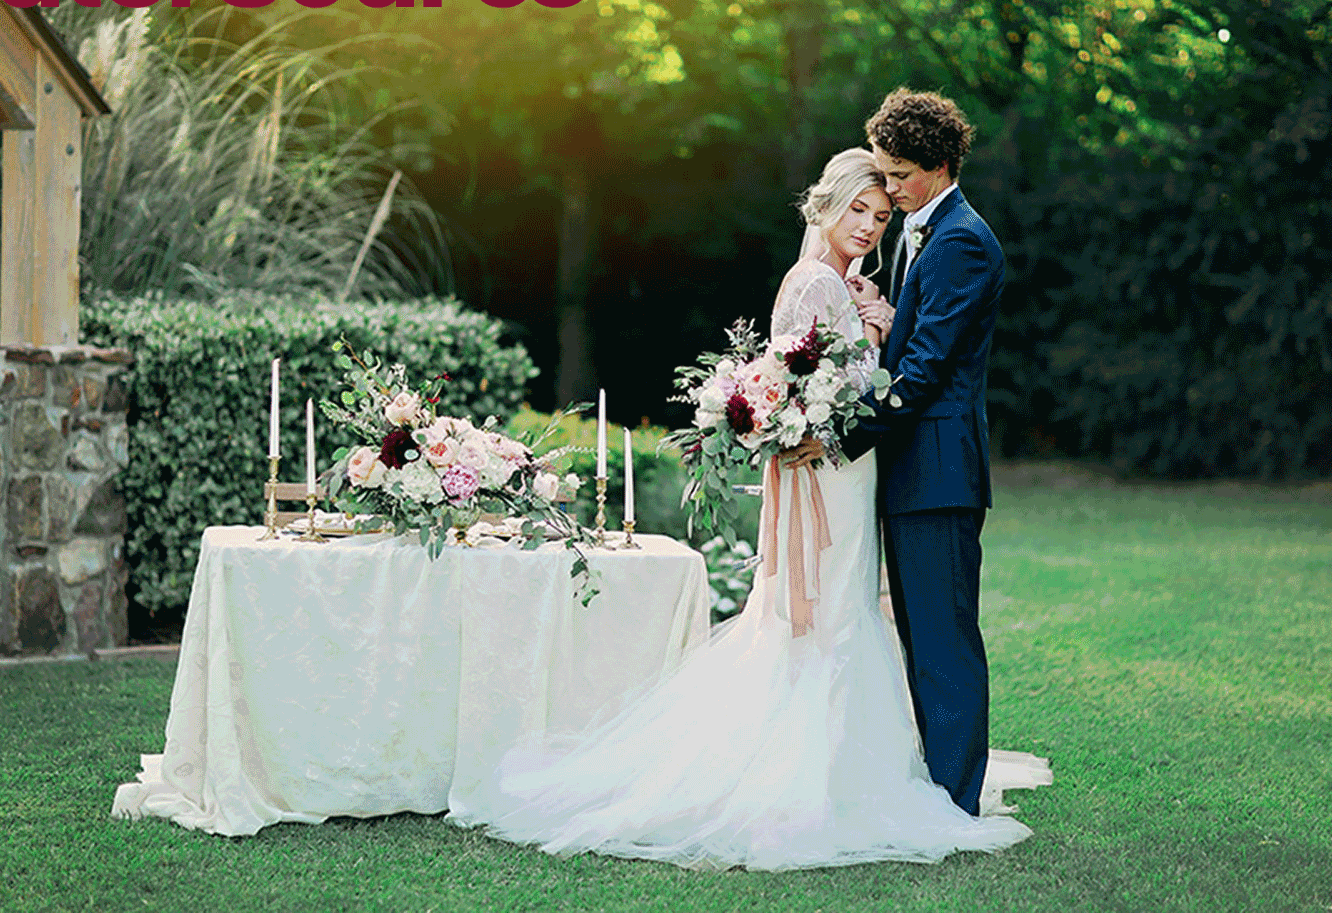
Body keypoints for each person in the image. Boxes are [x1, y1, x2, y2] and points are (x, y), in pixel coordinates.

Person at [444, 146, 1049, 871]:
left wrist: (870, 323)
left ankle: (863, 769)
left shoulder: (844, 283)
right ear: (823, 205)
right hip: (834, 468)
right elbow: (824, 381)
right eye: (858, 209)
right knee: (825, 619)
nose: (869, 226)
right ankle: (819, 781)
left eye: (881, 216)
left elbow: (841, 374)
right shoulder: (815, 286)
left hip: (852, 472)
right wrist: (831, 390)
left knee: (848, 614)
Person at [784, 88, 1005, 818]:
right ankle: (940, 785)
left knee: (943, 640)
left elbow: (924, 370)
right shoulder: (923, 231)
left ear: (940, 167)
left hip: (938, 471)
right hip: (910, 470)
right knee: (920, 636)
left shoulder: (962, 239)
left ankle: (956, 800)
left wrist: (838, 437)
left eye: (901, 174)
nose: (891, 187)